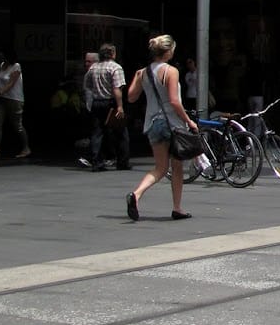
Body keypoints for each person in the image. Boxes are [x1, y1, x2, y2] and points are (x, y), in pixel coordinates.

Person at [125, 34, 197, 222]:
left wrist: (139, 77)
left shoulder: (143, 72)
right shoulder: (171, 71)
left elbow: (131, 97)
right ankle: (177, 208)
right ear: (167, 52)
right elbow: (174, 101)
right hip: (171, 123)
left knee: (160, 168)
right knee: (177, 166)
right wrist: (188, 121)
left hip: (152, 123)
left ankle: (137, 194)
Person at [80, 43, 129, 172]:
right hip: (110, 102)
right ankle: (122, 161)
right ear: (112, 53)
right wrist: (120, 106)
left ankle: (97, 162)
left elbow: (87, 85)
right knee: (121, 132)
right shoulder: (116, 68)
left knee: (97, 132)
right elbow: (117, 88)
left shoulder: (93, 68)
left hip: (97, 102)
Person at [0, 49, 29, 160]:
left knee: (17, 125)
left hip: (14, 99)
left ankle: (26, 148)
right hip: (2, 99)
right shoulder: (2, 65)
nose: (1, 58)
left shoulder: (16, 66)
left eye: (2, 56)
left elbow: (10, 83)